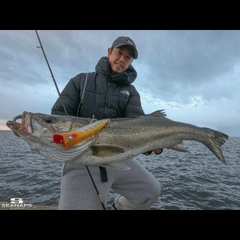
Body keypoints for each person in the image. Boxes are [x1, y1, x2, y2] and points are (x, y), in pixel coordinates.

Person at [51, 36, 162, 210]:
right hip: (82, 159)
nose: (122, 59)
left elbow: (137, 125)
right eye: (119, 53)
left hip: (117, 155)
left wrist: (154, 144)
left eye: (127, 57)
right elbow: (58, 115)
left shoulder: (131, 92)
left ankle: (118, 207)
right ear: (109, 52)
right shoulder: (81, 80)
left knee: (150, 191)